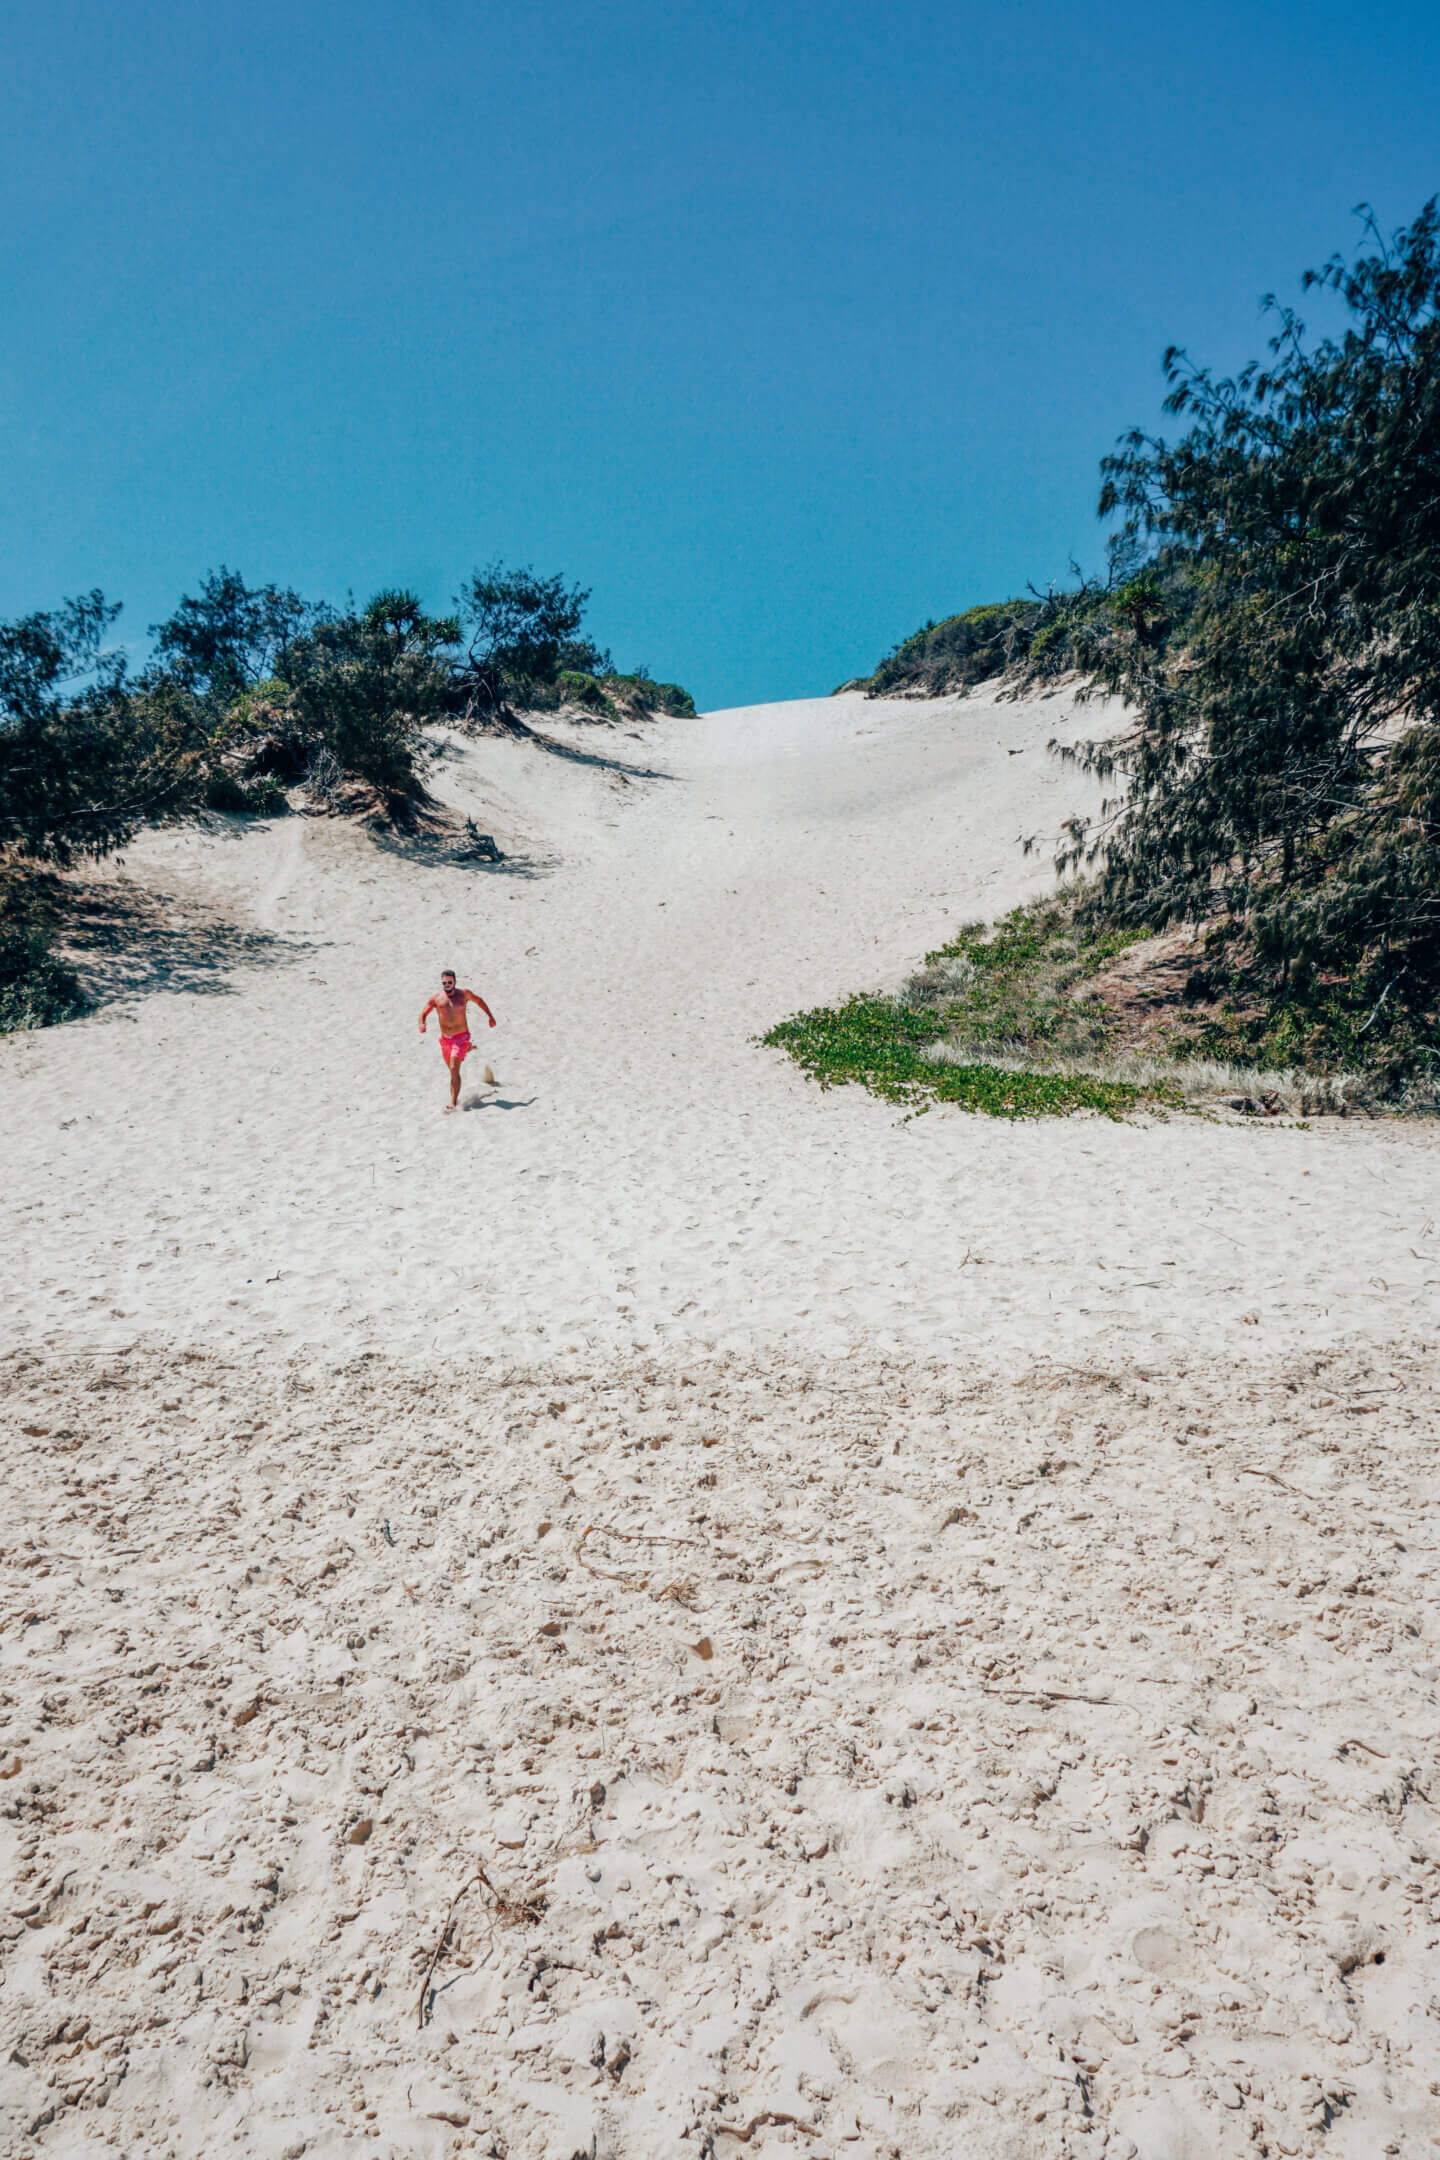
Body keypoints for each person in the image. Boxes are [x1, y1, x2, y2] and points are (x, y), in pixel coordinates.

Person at [418, 969, 497, 1110]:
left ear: (455, 981)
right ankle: (467, 1048)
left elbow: (479, 1001)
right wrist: (422, 1023)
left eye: (449, 982)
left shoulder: (464, 994)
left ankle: (453, 1102)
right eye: (444, 983)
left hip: (461, 1037)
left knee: (454, 1068)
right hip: (445, 1040)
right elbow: (424, 1012)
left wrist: (490, 1017)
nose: (447, 985)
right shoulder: (436, 998)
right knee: (452, 1071)